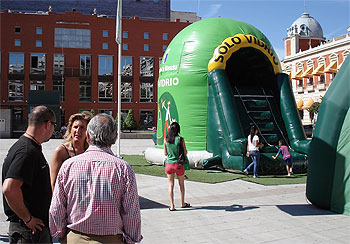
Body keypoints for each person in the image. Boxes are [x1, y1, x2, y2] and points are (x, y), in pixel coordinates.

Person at [49, 114, 142, 244]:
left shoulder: (68, 166)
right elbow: (131, 212)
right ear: (115, 138)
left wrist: (60, 234)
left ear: (87, 136)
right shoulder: (123, 169)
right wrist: (132, 238)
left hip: (75, 237)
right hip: (111, 239)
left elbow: (57, 207)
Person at [2, 106, 56, 243]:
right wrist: (28, 218)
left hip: (31, 230)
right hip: (28, 232)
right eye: (54, 125)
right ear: (48, 124)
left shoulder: (27, 147)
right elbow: (9, 188)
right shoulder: (27, 152)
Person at [50, 112, 92, 190]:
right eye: (75, 127)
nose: (78, 130)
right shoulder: (61, 152)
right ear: (70, 129)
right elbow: (54, 183)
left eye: (82, 127)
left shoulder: (91, 151)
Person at [163, 122, 191, 211]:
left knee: (170, 185)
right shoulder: (180, 139)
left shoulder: (166, 140)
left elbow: (165, 153)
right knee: (181, 185)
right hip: (178, 164)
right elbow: (185, 152)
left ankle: (172, 206)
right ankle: (182, 203)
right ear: (178, 130)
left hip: (169, 164)